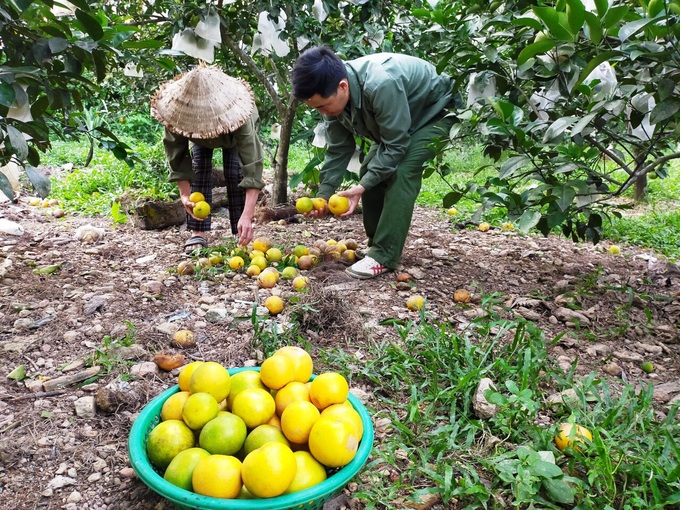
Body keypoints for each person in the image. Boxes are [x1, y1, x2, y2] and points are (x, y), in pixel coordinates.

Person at [291, 47, 459, 279]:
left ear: (343, 87)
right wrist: (325, 195)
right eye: (316, 108)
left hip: (436, 112)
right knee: (370, 169)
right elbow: (339, 148)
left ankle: (384, 255)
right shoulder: (332, 96)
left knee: (401, 171)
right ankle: (376, 246)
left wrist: (363, 186)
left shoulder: (380, 85)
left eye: (322, 106)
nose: (323, 112)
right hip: (403, 120)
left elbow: (396, 145)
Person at [151, 64, 265, 253]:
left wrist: (248, 215)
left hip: (232, 136)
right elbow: (177, 155)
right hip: (198, 138)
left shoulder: (242, 114)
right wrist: (185, 196)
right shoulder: (177, 113)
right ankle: (198, 232)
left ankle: (241, 232)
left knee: (234, 172)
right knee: (200, 169)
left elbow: (252, 166)